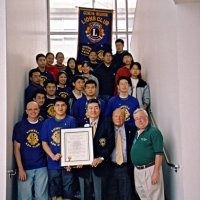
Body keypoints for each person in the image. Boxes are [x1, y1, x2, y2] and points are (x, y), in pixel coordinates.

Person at [76, 98, 115, 200]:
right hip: (83, 167)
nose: (93, 110)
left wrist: (101, 158)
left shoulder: (107, 123)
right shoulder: (80, 124)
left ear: (100, 110)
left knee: (100, 196)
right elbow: (76, 145)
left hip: (100, 166)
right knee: (85, 196)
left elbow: (110, 144)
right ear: (86, 110)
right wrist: (77, 159)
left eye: (96, 108)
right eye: (90, 108)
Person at [40, 97, 77, 200]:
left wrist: (70, 161)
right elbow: (44, 142)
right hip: (53, 163)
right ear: (54, 107)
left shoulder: (71, 121)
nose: (60, 108)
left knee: (68, 191)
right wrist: (52, 156)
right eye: (58, 105)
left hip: (68, 163)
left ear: (66, 107)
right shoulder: (47, 123)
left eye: (63, 105)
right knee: (55, 193)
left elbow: (75, 142)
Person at [13, 101, 48, 200]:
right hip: (25, 168)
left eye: (35, 109)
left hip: (42, 166)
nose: (33, 111)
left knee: (42, 197)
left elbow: (46, 146)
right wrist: (20, 168)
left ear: (39, 110)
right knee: (25, 197)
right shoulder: (20, 126)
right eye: (30, 109)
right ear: (26, 111)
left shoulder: (44, 125)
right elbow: (16, 149)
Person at [131, 108, 164, 200]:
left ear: (147, 118)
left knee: (154, 197)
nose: (139, 120)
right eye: (136, 119)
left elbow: (159, 154)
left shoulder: (154, 132)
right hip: (138, 171)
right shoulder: (137, 132)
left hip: (150, 169)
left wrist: (156, 172)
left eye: (141, 117)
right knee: (143, 196)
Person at [108, 108, 139, 200]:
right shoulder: (107, 129)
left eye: (121, 116)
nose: (118, 118)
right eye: (116, 116)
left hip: (126, 167)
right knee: (112, 195)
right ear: (112, 117)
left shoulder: (132, 130)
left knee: (127, 195)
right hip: (110, 166)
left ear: (125, 117)